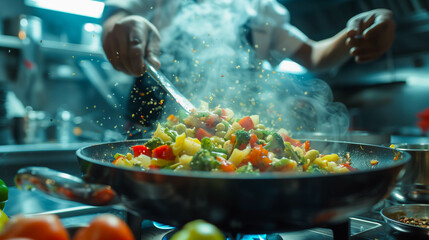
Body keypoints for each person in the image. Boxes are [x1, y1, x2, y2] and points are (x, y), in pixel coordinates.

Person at [101, 0, 396, 136]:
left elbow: (316, 56)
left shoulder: (261, 9)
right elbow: (115, 21)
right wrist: (121, 29)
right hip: (150, 139)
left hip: (236, 144)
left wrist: (356, 31)